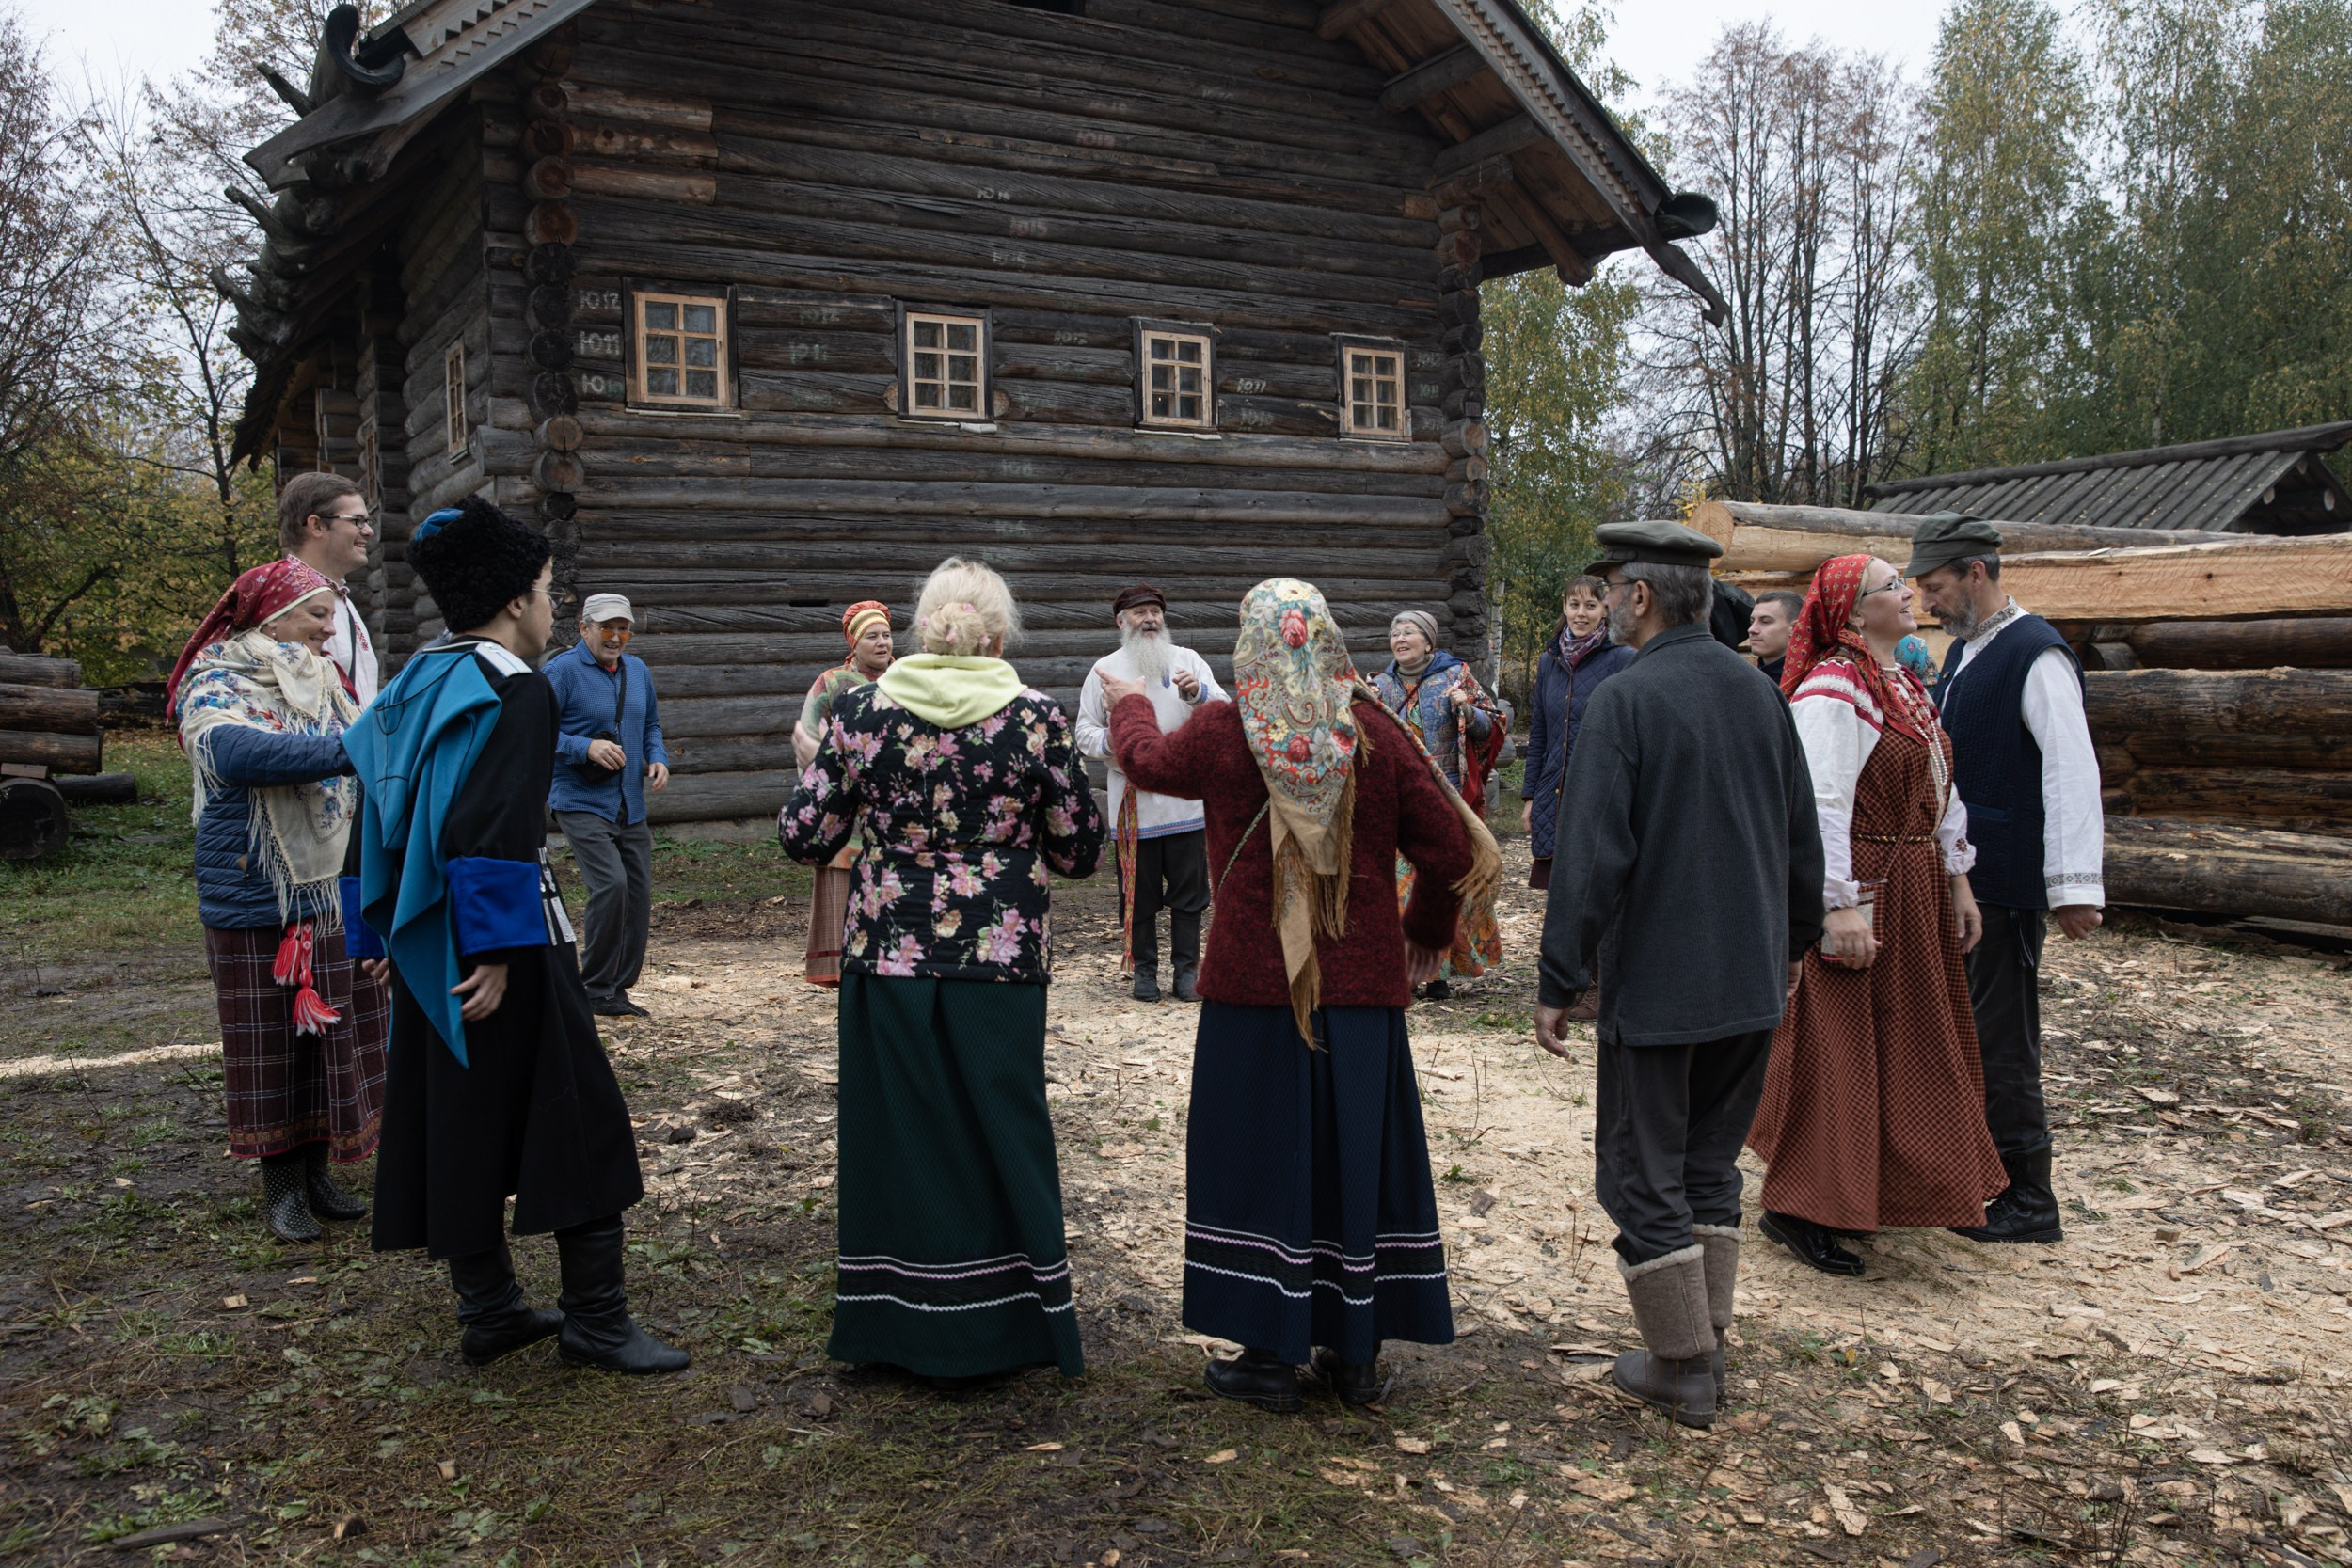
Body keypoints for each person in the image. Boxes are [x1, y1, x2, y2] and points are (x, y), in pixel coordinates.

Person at [1104, 578, 1493, 1412]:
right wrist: (1424, 929)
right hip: (1362, 995)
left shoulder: (1225, 728)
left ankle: (1267, 1358)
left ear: (1252, 644)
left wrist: (1130, 701)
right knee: (1356, 1163)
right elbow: (1452, 847)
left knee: (1258, 1161)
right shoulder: (1375, 731)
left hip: (1254, 993)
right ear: (1328, 640)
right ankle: (1355, 1357)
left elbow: (1145, 761)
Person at [345, 496, 685, 1374]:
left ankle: (489, 1309)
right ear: (512, 601)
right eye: (545, 588)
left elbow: (369, 805)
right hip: (505, 937)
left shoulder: (413, 680)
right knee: (577, 1109)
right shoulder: (516, 688)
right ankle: (597, 1320)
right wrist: (494, 950)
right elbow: (497, 823)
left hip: (423, 935)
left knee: (457, 1111)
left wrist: (371, 934)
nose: (550, 606)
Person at [779, 558, 1104, 1384]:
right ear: (997, 636)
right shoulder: (1036, 717)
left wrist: (837, 777)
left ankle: (898, 1323)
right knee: (1003, 1126)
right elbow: (1078, 850)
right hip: (1001, 954)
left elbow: (804, 835)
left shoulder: (859, 711)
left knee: (898, 1134)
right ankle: (1013, 1323)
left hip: (889, 950)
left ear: (923, 629)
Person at [1534, 520, 1824, 1430]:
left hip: (1663, 985)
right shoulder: (1761, 692)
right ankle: (1706, 1343)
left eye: (1613, 586)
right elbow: (1802, 838)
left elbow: (1590, 855)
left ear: (1641, 596)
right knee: (1706, 1166)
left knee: (1643, 1172)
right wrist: (1792, 946)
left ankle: (1684, 1366)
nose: (1605, 600)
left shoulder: (1627, 698)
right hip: (1749, 979)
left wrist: (1559, 977)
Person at [1745, 556, 2008, 1275]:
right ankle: (1799, 1204)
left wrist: (1958, 879)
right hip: (1863, 885)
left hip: (1912, 883)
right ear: (1856, 613)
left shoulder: (1901, 683)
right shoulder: (1835, 687)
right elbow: (1820, 803)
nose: (1907, 592)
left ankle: (1864, 1190)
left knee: (1899, 1045)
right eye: (1891, 586)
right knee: (1837, 1050)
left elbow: (1940, 786)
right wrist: (1836, 906)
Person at [170, 559, 384, 1244]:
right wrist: (348, 750)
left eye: (331, 616)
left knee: (326, 1036)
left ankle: (317, 1174)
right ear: (273, 616)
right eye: (317, 615)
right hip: (256, 892)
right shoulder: (218, 680)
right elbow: (236, 754)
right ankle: (282, 1187)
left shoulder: (328, 681)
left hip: (328, 889)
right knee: (270, 1043)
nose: (328, 629)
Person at [1907, 514, 2104, 1245]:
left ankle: (2029, 1194)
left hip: (2006, 879)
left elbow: (2071, 769)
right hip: (1967, 876)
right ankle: (1978, 1176)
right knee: (1968, 1032)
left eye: (1936, 586)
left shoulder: (2035, 653)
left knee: (2002, 1040)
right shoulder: (1966, 650)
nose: (1927, 602)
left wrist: (2073, 885)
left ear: (1976, 572)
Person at [1076, 584, 1228, 1002]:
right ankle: (1145, 971)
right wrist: (1115, 740)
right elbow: (1084, 732)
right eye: (1139, 612)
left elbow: (1223, 711)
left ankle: (1187, 972)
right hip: (1134, 801)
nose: (1149, 619)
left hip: (1185, 800)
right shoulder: (1105, 670)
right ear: (1120, 622)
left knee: (1190, 893)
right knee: (1138, 894)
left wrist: (1196, 693)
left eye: (1155, 612)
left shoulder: (1188, 661)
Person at [544, 593, 670, 1018]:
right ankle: (595, 987)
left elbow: (650, 725)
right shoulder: (561, 671)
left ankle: (618, 988)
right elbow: (537, 729)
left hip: (629, 802)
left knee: (637, 893)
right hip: (579, 799)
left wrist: (657, 758)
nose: (616, 637)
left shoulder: (637, 671)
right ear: (584, 628)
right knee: (611, 885)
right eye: (607, 628)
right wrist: (585, 747)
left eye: (623, 630)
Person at [1373, 610, 1506, 999]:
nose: (1399, 638)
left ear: (1429, 641)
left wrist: (1467, 710)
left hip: (1445, 799)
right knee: (1400, 884)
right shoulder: (1380, 684)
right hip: (1397, 802)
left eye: (1408, 632)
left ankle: (1438, 974)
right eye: (1394, 632)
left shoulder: (1455, 677)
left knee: (1442, 883)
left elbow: (1492, 728)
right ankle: (1406, 971)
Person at [791, 600, 895, 988]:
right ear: (854, 642)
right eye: (872, 636)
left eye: (886, 634)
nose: (882, 642)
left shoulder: (906, 679)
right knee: (844, 892)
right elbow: (808, 738)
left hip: (893, 812)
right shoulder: (832, 683)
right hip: (845, 814)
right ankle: (848, 979)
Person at [1520, 576, 1635, 903]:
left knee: (1599, 893)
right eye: (1574, 604)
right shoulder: (1550, 659)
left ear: (1605, 609)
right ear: (1565, 607)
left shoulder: (1623, 657)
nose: (1581, 613)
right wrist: (1530, 796)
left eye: (1590, 605)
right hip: (1553, 791)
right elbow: (1540, 733)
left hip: (1601, 790)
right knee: (1561, 895)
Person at [278, 472, 379, 705]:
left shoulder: (340, 597)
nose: (368, 531)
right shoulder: (284, 603)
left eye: (367, 521)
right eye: (357, 521)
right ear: (317, 525)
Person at [1747, 590, 1802, 686]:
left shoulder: (1813, 683)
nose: (1751, 629)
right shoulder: (1746, 680)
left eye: (1765, 621)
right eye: (1752, 622)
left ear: (1794, 628)